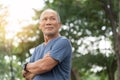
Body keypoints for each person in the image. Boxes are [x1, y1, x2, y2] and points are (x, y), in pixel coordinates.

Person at [22, 8, 72, 80]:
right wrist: (40, 65)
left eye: (53, 19)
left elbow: (44, 66)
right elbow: (26, 75)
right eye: (45, 19)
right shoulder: (37, 49)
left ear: (59, 25)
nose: (48, 22)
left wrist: (26, 66)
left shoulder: (63, 42)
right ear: (40, 26)